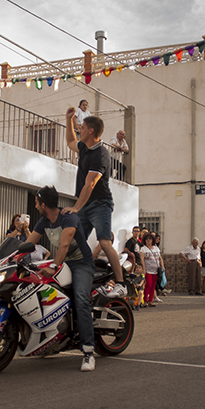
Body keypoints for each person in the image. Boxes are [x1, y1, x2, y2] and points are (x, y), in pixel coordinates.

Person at [26, 185, 96, 372]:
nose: (35, 205)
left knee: (81, 299)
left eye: (36, 202)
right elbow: (28, 243)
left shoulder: (69, 217)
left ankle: (88, 351)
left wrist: (53, 266)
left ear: (43, 204)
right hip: (61, 262)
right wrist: (7, 258)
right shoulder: (43, 222)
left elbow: (64, 245)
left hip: (82, 263)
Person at [64, 106, 126, 297]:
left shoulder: (101, 155)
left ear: (91, 131)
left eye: (81, 127)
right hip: (85, 204)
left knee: (104, 241)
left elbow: (89, 185)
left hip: (100, 203)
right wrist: (68, 120)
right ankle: (76, 278)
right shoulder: (84, 147)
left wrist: (75, 207)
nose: (78, 129)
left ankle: (121, 284)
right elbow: (70, 142)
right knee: (74, 241)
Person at [141, 233, 164, 307]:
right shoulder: (143, 249)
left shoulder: (156, 248)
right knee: (148, 284)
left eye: (150, 238)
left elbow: (160, 258)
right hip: (148, 270)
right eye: (147, 239)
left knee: (153, 285)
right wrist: (143, 269)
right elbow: (142, 260)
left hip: (156, 270)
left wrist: (162, 266)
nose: (148, 240)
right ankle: (145, 301)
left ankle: (150, 300)